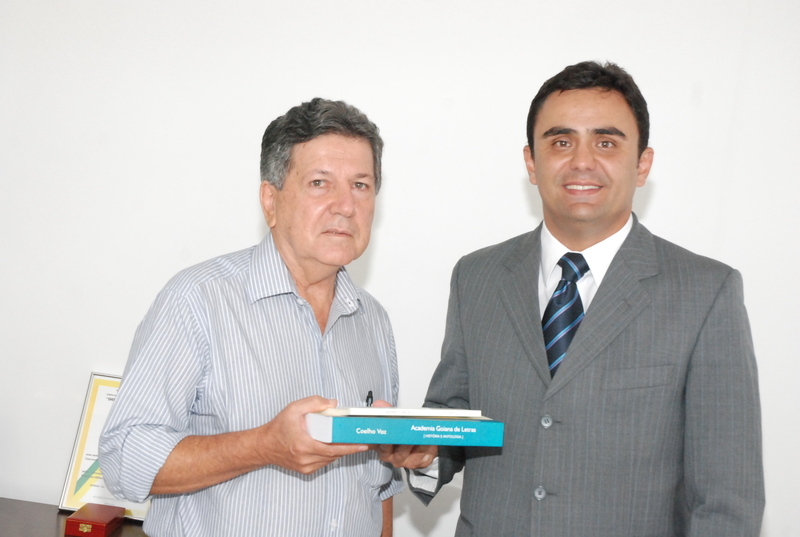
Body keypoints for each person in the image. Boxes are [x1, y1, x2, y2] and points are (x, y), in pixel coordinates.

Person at [405, 62, 764, 536]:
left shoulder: (706, 292)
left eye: (606, 143)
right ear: (531, 162)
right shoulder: (476, 277)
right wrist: (424, 449)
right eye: (560, 142)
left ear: (642, 164)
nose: (581, 162)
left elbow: (726, 501)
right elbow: (454, 416)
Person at [99, 98, 404, 537]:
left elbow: (378, 489)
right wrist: (263, 446)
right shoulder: (197, 300)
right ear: (270, 200)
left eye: (361, 185)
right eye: (320, 183)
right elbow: (123, 458)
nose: (345, 205)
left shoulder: (374, 321)